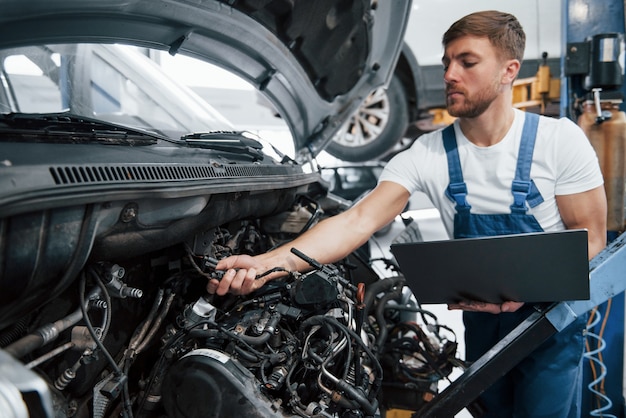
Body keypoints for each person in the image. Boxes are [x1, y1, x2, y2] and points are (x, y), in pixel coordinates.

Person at [210, 10, 608, 418]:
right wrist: (266, 263)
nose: (450, 73)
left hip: (549, 320)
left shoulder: (558, 141)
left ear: (509, 71)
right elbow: (357, 220)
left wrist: (524, 290)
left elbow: (591, 238)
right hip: (482, 324)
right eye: (447, 60)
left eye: (467, 62)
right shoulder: (428, 153)